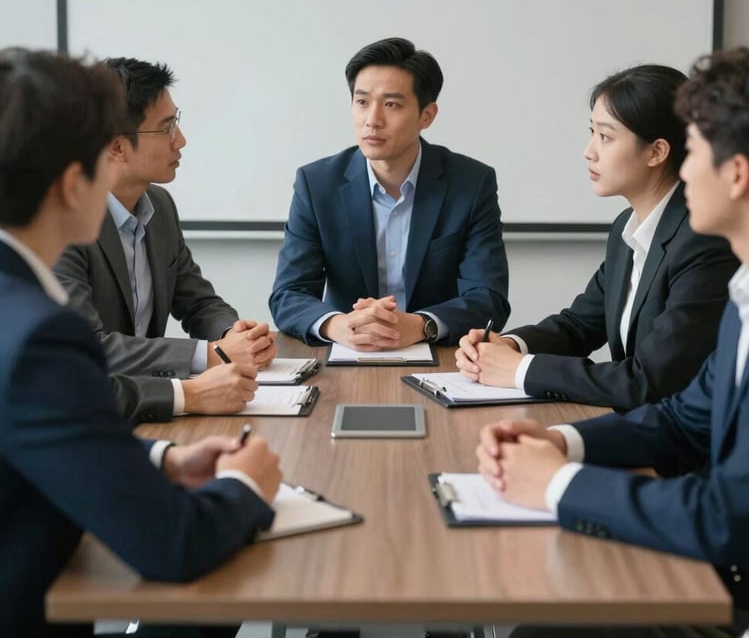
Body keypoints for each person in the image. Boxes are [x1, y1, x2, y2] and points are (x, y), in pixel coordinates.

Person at [476, 43, 749, 632]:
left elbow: (725, 517)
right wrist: (561, 444)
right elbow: (685, 418)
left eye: (697, 152)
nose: (685, 170)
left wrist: (557, 484)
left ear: (735, 174)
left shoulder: (726, 267)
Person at [0, 48, 282, 637]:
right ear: (78, 182)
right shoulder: (37, 335)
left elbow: (38, 432)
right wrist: (246, 484)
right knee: (206, 606)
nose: (181, 139)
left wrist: (161, 458)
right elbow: (174, 544)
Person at [456, 64, 737, 410]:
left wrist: (519, 370)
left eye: (605, 137)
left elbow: (648, 381)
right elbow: (578, 326)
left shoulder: (702, 240)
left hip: (682, 446)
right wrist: (509, 346)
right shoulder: (627, 227)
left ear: (656, 152)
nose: (589, 151)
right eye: (591, 133)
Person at [55, 57, 276, 423]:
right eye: (166, 128)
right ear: (116, 147)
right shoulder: (64, 224)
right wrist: (212, 354)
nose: (181, 140)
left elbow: (199, 302)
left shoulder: (158, 204)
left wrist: (235, 335)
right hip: (91, 416)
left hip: (149, 412)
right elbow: (90, 347)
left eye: (177, 122)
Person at [269, 37, 510, 350]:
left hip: (441, 356)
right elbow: (288, 294)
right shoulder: (317, 184)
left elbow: (488, 298)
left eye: (392, 104)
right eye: (362, 102)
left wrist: (420, 324)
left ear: (427, 115)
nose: (372, 119)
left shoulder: (471, 184)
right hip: (346, 352)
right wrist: (338, 325)